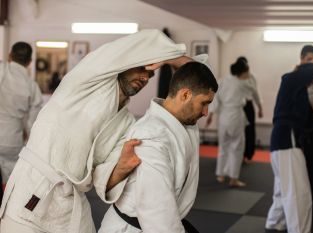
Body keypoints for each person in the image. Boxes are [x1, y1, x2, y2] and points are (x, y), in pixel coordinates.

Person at [0, 29, 193, 233]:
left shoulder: (127, 122)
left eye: (151, 75)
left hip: (70, 206)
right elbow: (125, 49)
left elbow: (102, 177)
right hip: (31, 191)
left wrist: (122, 167)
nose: (146, 78)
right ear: (125, 63)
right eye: (142, 69)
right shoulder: (85, 81)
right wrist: (174, 58)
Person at [98, 61, 217, 233]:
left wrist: (169, 59)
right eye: (204, 103)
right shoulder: (152, 136)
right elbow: (157, 211)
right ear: (184, 95)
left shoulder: (181, 121)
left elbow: (196, 68)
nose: (206, 112)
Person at [265, 46, 313, 233]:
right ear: (302, 60)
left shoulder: (299, 88)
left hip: (282, 143)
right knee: (299, 196)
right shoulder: (292, 78)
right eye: (311, 60)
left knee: (282, 192)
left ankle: (273, 226)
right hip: (288, 141)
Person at [206, 59, 256, 187]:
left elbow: (215, 99)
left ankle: (221, 175)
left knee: (223, 146)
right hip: (236, 117)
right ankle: (233, 178)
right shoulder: (242, 83)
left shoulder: (221, 81)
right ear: (242, 72)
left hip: (223, 117)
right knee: (237, 147)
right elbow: (253, 92)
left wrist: (210, 114)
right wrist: (249, 77)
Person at [0, 42, 43, 192]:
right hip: (12, 139)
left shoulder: (1, 69)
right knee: (10, 180)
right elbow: (32, 124)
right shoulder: (32, 86)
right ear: (30, 62)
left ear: (9, 55)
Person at [237, 56, 263, 164]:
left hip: (248, 106)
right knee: (238, 132)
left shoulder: (251, 77)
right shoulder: (234, 77)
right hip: (237, 106)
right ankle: (239, 156)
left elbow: (255, 93)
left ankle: (248, 155)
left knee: (249, 131)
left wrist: (260, 107)